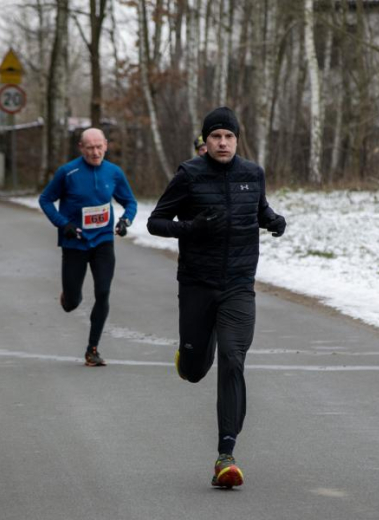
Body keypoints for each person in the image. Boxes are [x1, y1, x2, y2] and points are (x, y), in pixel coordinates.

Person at [147, 107, 286, 488]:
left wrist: (272, 220)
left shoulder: (252, 174)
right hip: (197, 284)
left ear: (237, 140)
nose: (222, 143)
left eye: (228, 136)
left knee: (232, 358)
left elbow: (258, 209)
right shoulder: (189, 175)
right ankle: (190, 356)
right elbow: (155, 221)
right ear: (205, 142)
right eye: (215, 137)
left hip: (239, 284)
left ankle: (226, 454)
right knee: (194, 370)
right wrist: (191, 228)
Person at [39, 128, 138, 367]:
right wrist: (64, 225)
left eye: (99, 147)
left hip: (103, 241)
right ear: (81, 148)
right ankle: (68, 297)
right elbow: (45, 199)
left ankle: (92, 349)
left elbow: (130, 202)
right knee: (72, 303)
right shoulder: (68, 172)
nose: (95, 152)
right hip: (75, 242)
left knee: (103, 292)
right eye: (90, 148)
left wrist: (126, 220)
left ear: (106, 145)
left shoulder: (114, 172)